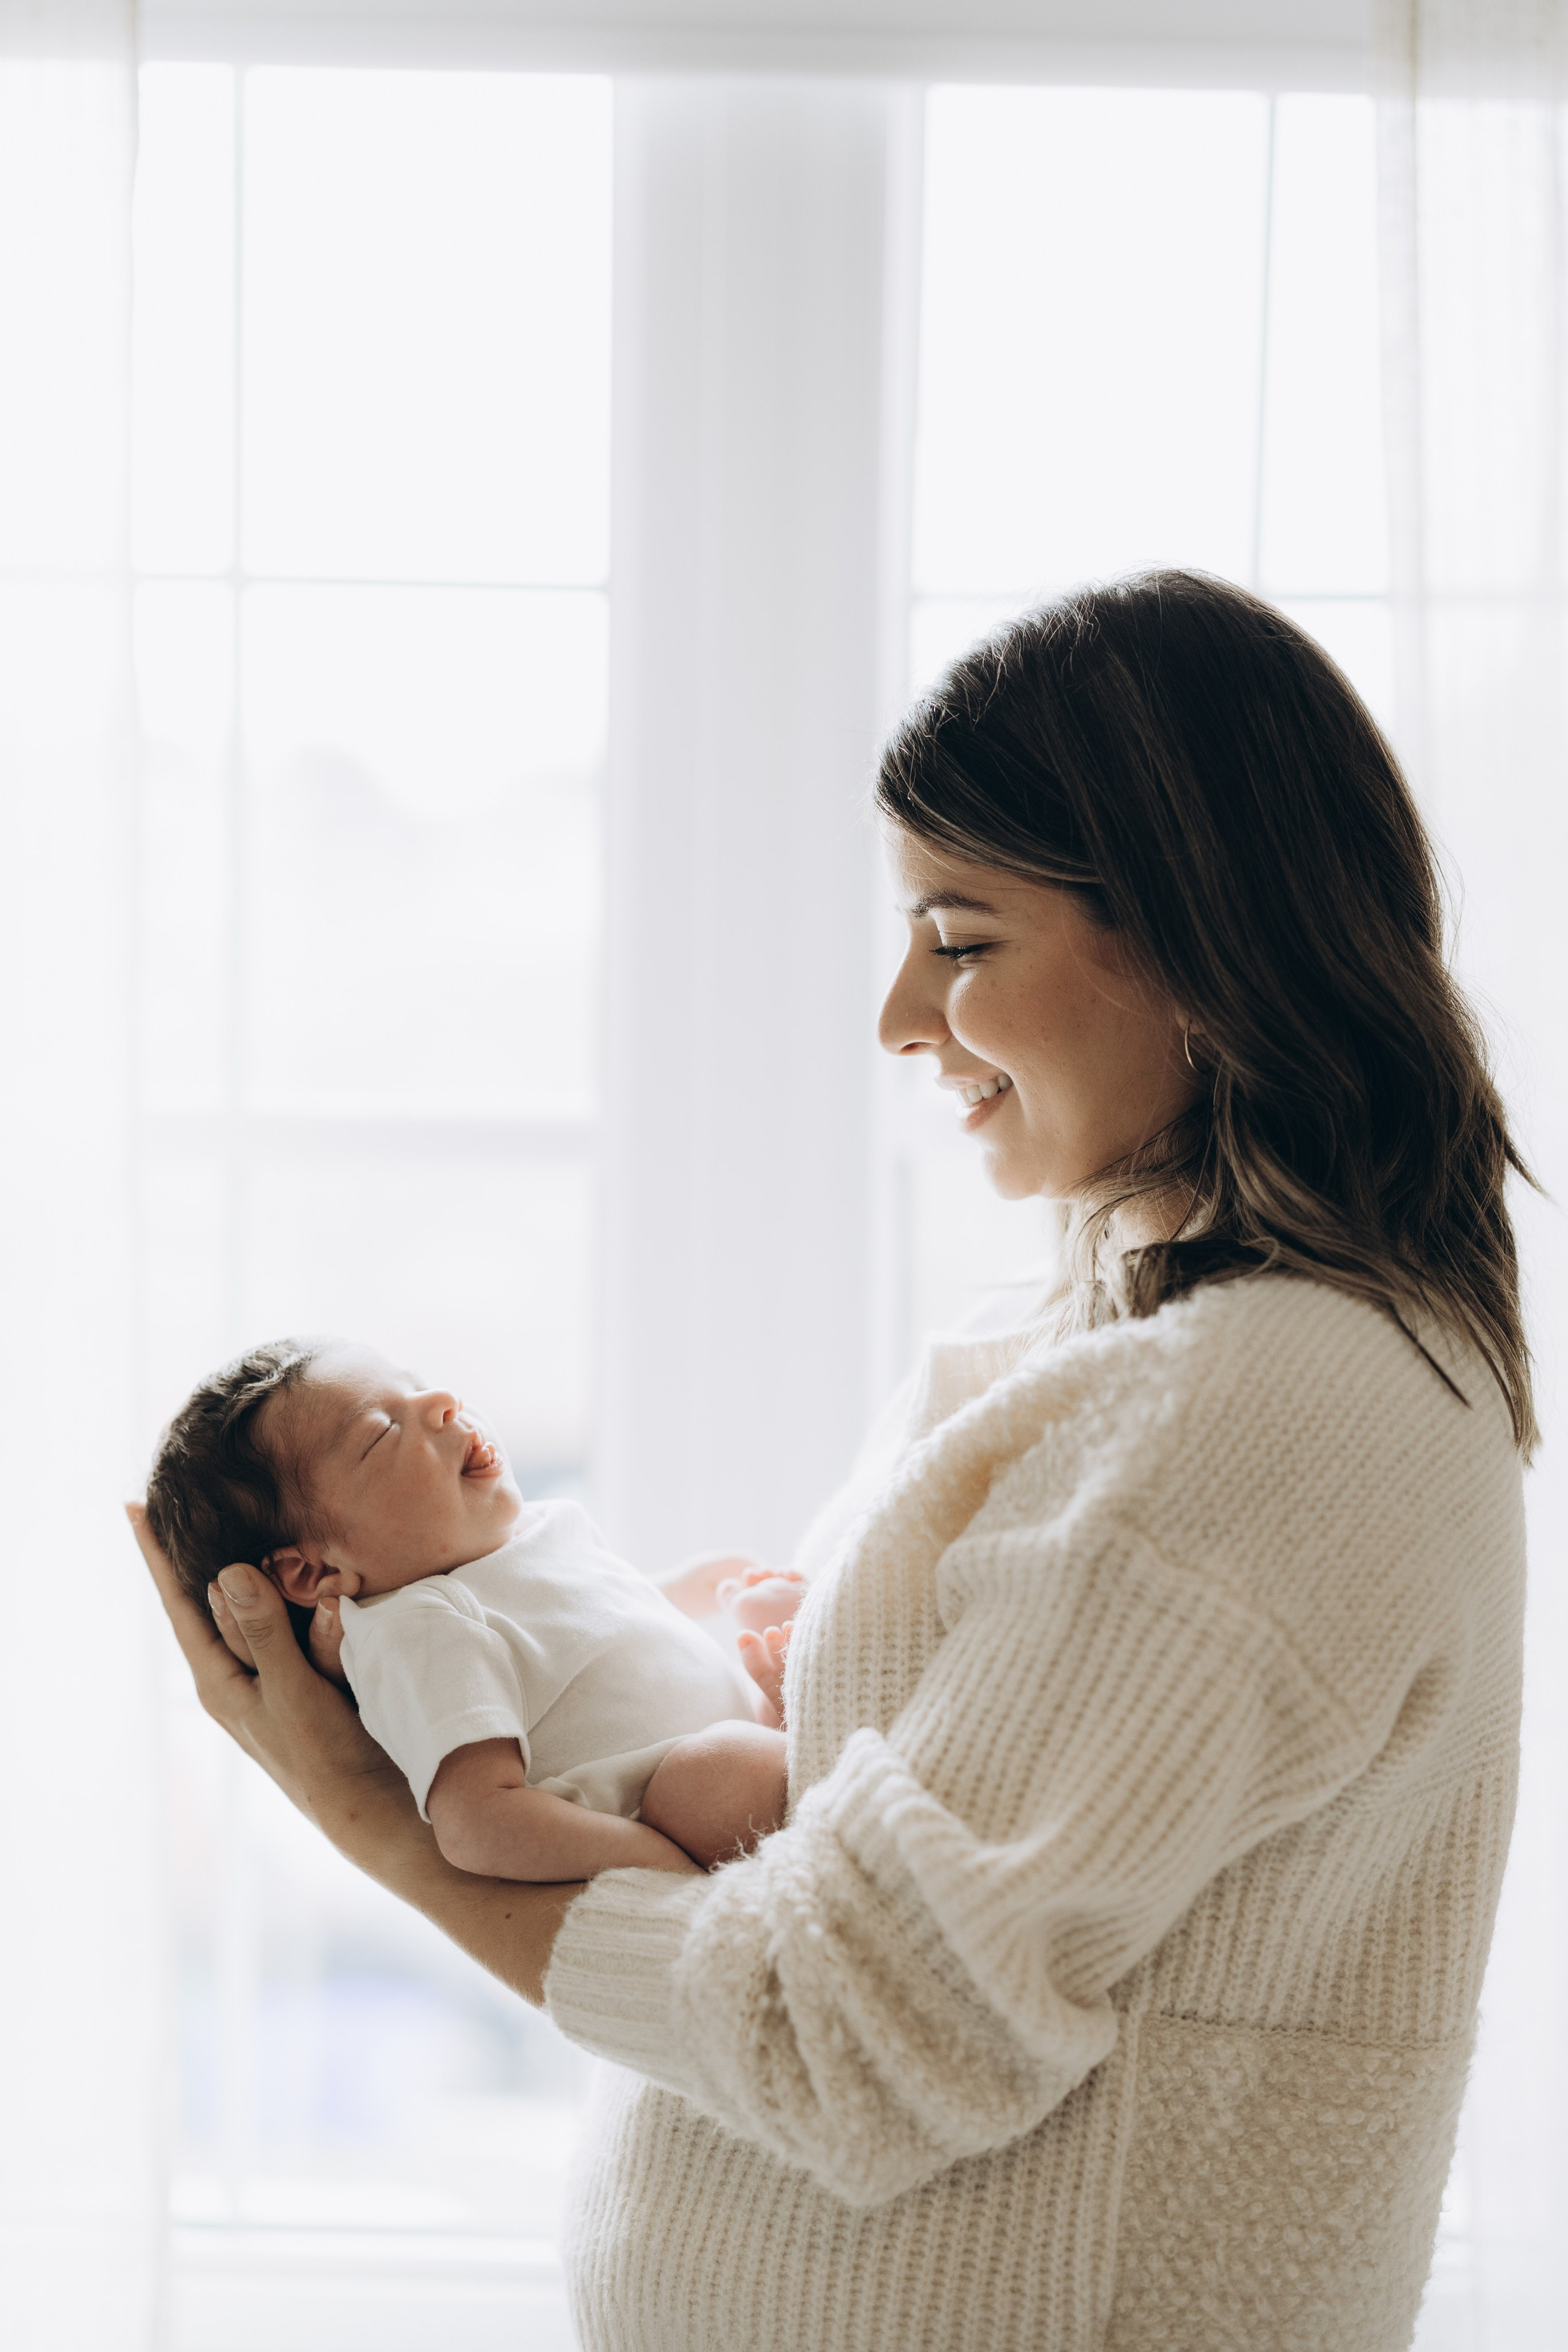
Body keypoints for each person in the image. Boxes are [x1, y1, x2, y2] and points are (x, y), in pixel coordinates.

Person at [132, 569, 1531, 2352]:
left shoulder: (1261, 1411)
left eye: (959, 937)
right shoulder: (1129, 1364)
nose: (896, 1012)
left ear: (1200, 940)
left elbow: (850, 2030)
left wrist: (368, 1822)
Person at [143, 1337, 799, 1875]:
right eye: (379, 1433)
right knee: (711, 1776)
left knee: (772, 1650)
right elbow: (475, 1819)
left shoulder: (516, 1541)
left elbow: (592, 1634)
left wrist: (690, 1587)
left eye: (417, 1383)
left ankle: (780, 1723)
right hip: (674, 1800)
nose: (441, 1403)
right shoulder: (421, 1629)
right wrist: (646, 1859)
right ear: (314, 1570)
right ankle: (790, 1745)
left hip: (726, 1749)